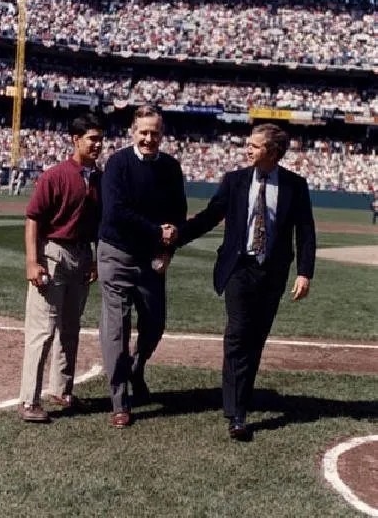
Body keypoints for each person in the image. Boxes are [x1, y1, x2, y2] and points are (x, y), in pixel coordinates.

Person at [166, 123, 316, 440]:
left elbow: (305, 231)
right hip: (238, 268)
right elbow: (210, 216)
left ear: (273, 152)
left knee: (255, 339)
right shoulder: (235, 181)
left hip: (272, 273)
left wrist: (304, 272)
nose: (247, 149)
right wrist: (178, 236)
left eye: (254, 145)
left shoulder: (294, 185)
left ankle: (240, 398)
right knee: (237, 334)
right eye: (247, 144)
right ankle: (237, 413)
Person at [98, 105, 187, 429]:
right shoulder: (118, 163)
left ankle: (137, 368)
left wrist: (169, 250)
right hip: (117, 255)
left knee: (155, 324)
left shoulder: (170, 168)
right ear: (133, 132)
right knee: (116, 330)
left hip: (152, 260)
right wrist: (156, 232)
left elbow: (178, 215)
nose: (149, 138)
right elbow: (115, 212)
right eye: (144, 132)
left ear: (162, 134)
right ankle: (120, 401)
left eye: (155, 133)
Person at [18, 113, 103, 422]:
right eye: (92, 138)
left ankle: (61, 390)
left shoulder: (99, 179)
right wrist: (32, 260)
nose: (98, 144)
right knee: (43, 331)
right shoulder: (55, 175)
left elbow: (95, 225)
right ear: (75, 140)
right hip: (52, 254)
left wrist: (93, 258)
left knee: (70, 329)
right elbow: (33, 218)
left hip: (80, 256)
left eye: (99, 139)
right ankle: (29, 401)